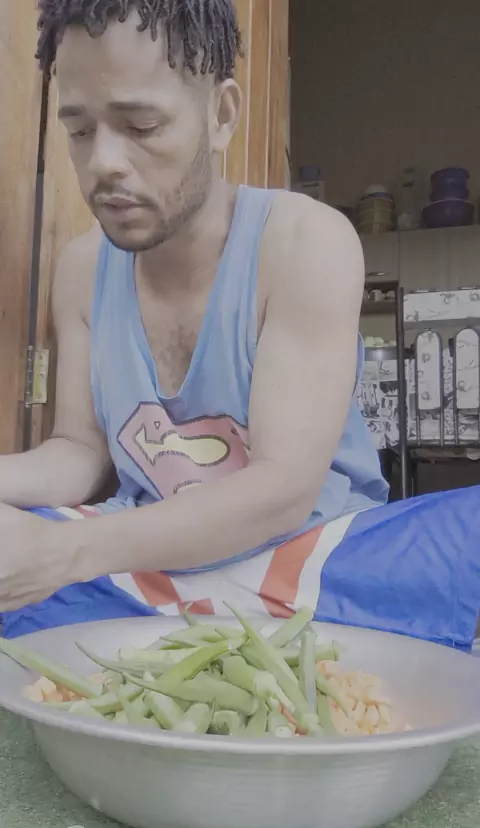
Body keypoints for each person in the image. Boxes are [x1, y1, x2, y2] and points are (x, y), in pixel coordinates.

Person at [0, 0, 479, 649]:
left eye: (140, 125)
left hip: (312, 555)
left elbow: (282, 490)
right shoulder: (82, 270)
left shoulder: (306, 242)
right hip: (146, 555)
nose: (103, 162)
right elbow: (80, 453)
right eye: (80, 131)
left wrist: (65, 552)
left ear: (222, 114)